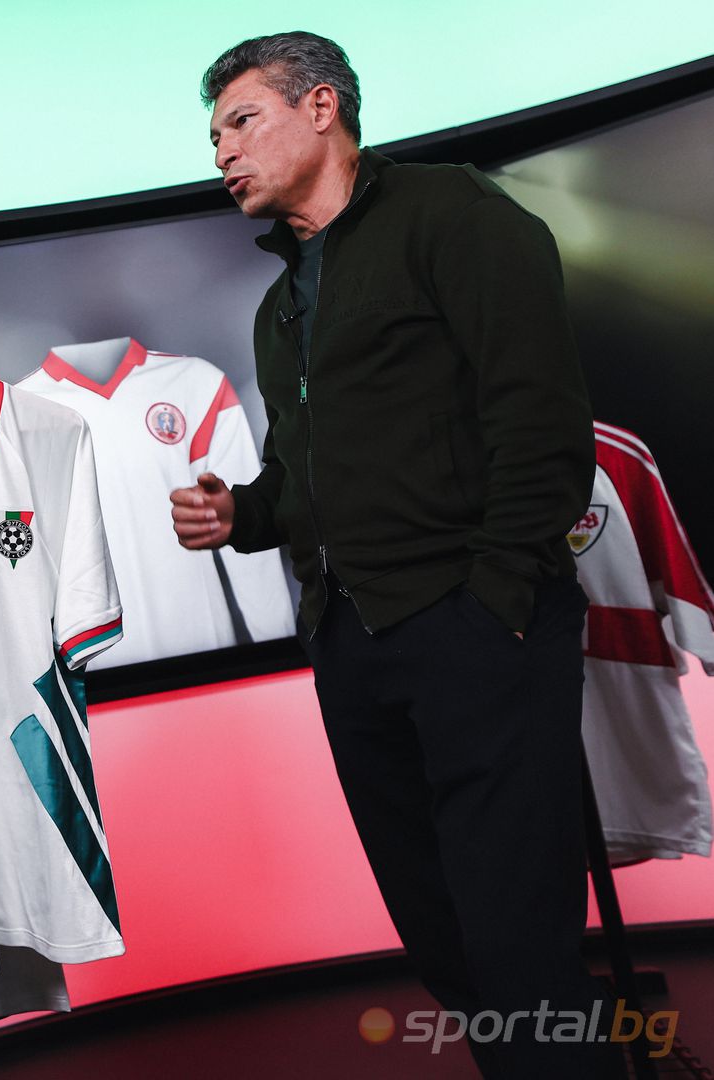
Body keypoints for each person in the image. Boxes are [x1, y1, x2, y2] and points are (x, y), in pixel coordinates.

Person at [174, 32, 618, 1077]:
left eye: (240, 121)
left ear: (320, 106)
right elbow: (302, 474)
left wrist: (496, 601)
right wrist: (242, 513)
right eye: (212, 136)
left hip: (475, 624)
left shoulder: (452, 216)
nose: (221, 152)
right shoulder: (278, 304)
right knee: (441, 935)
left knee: (516, 934)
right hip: (351, 642)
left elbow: (541, 425)